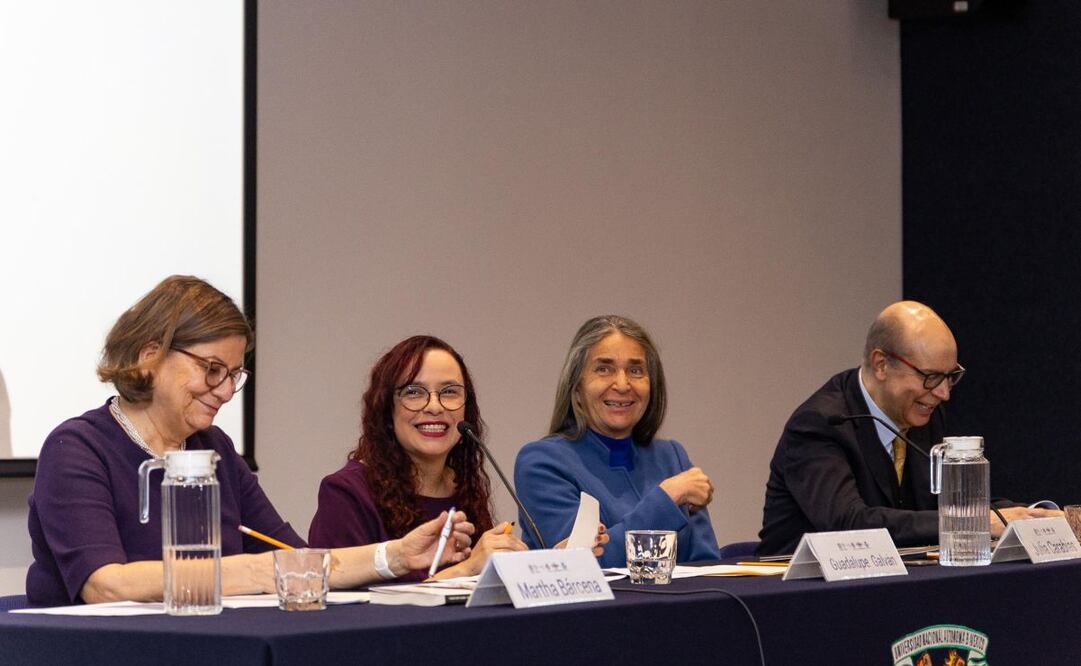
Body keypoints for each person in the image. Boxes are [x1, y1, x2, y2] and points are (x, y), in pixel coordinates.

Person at [26, 276, 473, 606]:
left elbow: (297, 560)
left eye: (233, 375)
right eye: (212, 369)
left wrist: (396, 556)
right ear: (149, 359)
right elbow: (106, 584)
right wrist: (256, 570)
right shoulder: (77, 449)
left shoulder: (214, 448)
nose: (223, 391)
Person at [756, 300, 1058, 556]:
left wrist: (1032, 517)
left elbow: (949, 504)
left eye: (950, 376)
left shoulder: (921, 411)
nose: (943, 393)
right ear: (881, 364)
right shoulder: (820, 424)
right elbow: (849, 524)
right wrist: (976, 522)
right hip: (800, 600)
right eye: (930, 377)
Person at [309, 335, 608, 580]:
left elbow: (477, 594)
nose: (435, 406)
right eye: (414, 392)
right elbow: (353, 621)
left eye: (449, 392)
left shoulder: (461, 485)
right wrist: (467, 568)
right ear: (386, 409)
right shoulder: (346, 493)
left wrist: (557, 564)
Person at [514, 315, 720, 567]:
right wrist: (668, 496)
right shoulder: (541, 463)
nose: (622, 385)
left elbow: (706, 564)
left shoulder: (671, 456)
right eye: (604, 368)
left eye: (635, 370)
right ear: (576, 386)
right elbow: (583, 566)